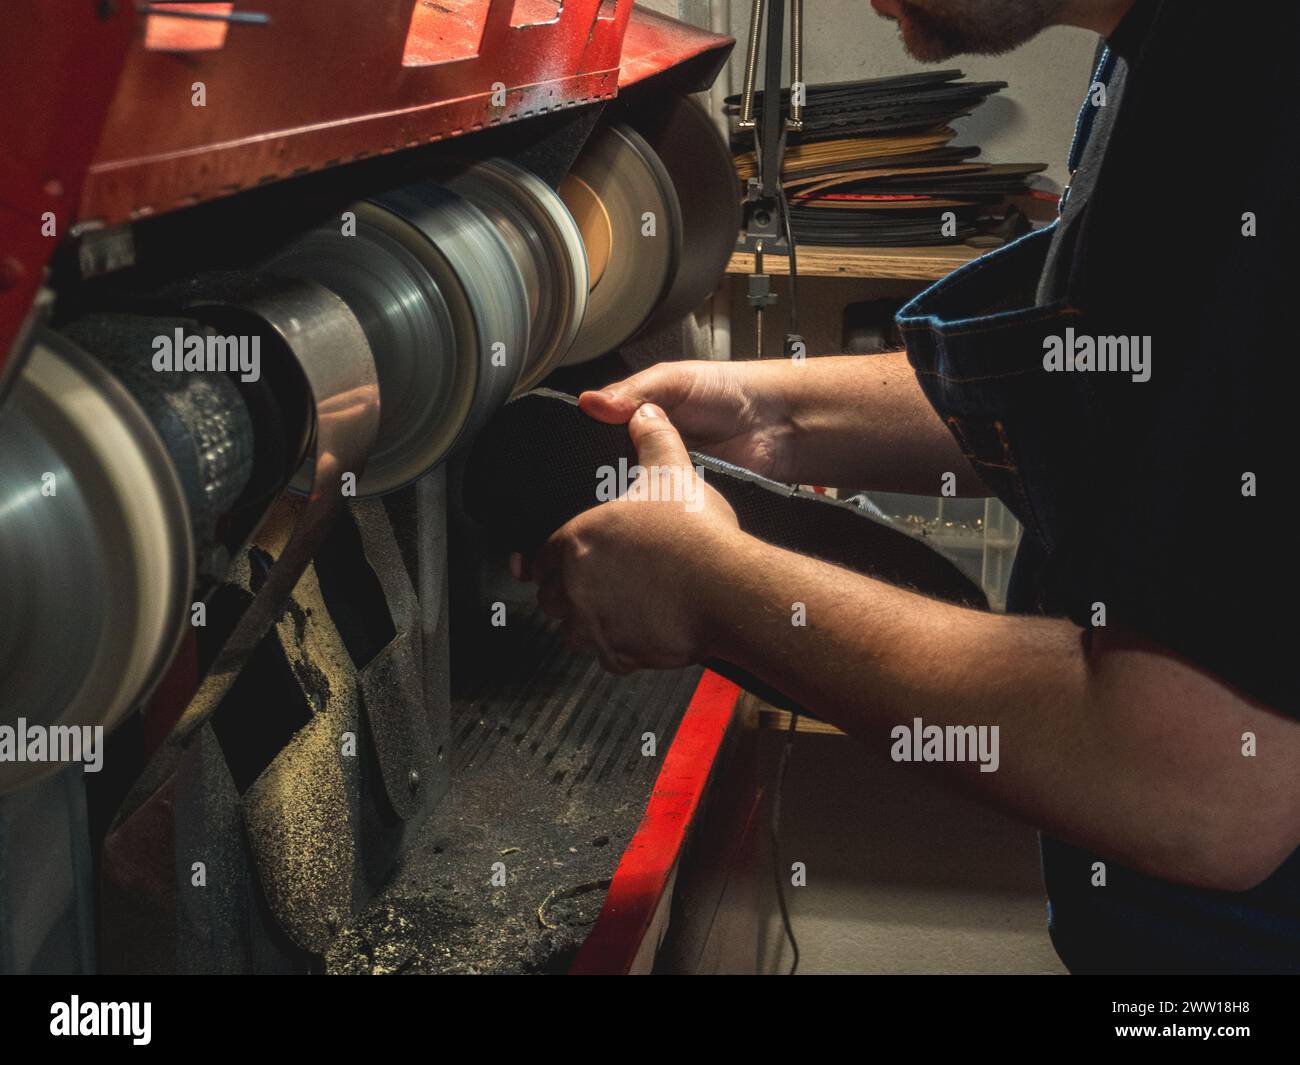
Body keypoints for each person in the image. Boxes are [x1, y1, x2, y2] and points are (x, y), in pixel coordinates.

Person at [512, 0, 1300, 973]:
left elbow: (1198, 785)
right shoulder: (1164, 53)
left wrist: (712, 590)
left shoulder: (1261, 76)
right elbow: (1152, 419)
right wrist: (770, 415)